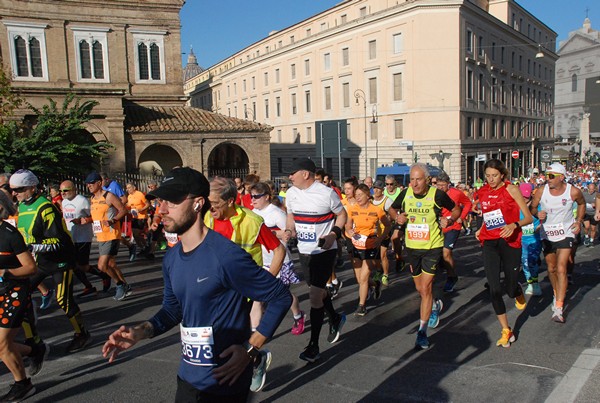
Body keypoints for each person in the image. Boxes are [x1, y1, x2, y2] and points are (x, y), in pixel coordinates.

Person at [102, 167, 291, 402]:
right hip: (188, 379)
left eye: (172, 202)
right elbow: (173, 310)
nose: (161, 210)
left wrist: (251, 348)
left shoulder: (226, 256)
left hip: (225, 382)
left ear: (197, 204)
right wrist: (141, 332)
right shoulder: (171, 258)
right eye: (161, 202)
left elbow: (281, 296)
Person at [204, 177, 285, 392]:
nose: (210, 207)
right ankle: (254, 359)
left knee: (229, 342)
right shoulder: (207, 218)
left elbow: (279, 251)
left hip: (243, 293)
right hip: (216, 290)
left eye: (215, 203)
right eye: (208, 202)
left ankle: (251, 363)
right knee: (216, 340)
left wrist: (265, 286)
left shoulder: (252, 222)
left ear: (231, 201)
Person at [9, 169, 90, 353]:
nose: (15, 193)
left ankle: (81, 333)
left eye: (19, 189)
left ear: (31, 187)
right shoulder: (21, 206)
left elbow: (59, 241)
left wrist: (32, 247)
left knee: (63, 299)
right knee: (19, 295)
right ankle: (32, 339)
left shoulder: (46, 208)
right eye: (12, 189)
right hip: (40, 261)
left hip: (61, 260)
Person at [390, 163, 460, 350]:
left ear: (427, 180)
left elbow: (456, 209)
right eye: (412, 179)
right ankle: (435, 304)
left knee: (426, 287)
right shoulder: (405, 194)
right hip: (412, 248)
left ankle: (422, 332)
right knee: (420, 289)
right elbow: (390, 209)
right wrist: (397, 218)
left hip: (432, 247)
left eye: (418, 179)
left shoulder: (436, 195)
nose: (414, 183)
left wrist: (450, 219)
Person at [283, 158, 347, 363]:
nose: (289, 177)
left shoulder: (326, 193)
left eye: (292, 173)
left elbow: (342, 215)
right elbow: (291, 216)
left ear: (306, 174)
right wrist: (289, 230)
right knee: (317, 290)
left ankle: (313, 346)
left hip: (324, 250)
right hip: (304, 249)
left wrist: (333, 235)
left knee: (314, 295)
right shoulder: (291, 193)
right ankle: (335, 318)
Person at [475, 159, 532, 347]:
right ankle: (506, 330)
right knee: (494, 288)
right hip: (490, 242)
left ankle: (517, 291)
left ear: (502, 175)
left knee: (509, 286)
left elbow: (528, 217)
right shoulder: (483, 192)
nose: (491, 179)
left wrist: (514, 225)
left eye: (495, 175)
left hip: (510, 241)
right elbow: (489, 215)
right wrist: (481, 228)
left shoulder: (511, 189)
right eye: (488, 176)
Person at [0, 190, 47, 402]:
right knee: (3, 345)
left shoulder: (9, 235)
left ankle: (23, 385)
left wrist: (7, 273)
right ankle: (34, 350)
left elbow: (30, 268)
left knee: (1, 344)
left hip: (15, 292)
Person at [529, 163, 585, 323]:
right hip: (547, 233)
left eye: (551, 176)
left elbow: (581, 203)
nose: (548, 179)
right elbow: (532, 208)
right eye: (547, 175)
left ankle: (559, 307)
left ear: (561, 177)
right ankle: (556, 292)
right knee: (551, 268)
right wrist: (537, 213)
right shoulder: (541, 190)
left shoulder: (573, 191)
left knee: (561, 268)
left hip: (565, 233)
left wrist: (579, 221)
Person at [250, 182, 305, 335]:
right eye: (251, 196)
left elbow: (289, 234)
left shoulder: (275, 213)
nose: (253, 199)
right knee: (257, 298)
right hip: (260, 261)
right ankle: (255, 334)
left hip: (279, 260)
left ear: (266, 197)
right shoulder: (252, 213)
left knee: (284, 295)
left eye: (257, 196)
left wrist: (274, 234)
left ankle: (298, 315)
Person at [345, 184, 391, 316]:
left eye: (360, 195)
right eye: (356, 195)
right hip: (356, 245)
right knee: (360, 279)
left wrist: (380, 238)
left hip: (370, 245)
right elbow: (348, 225)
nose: (357, 198)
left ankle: (361, 306)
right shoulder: (352, 209)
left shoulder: (376, 210)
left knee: (364, 278)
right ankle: (375, 285)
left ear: (367, 195)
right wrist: (350, 230)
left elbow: (387, 225)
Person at [86, 172, 133, 301]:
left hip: (111, 234)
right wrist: (86, 220)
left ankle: (119, 285)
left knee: (102, 266)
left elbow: (123, 210)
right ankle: (125, 286)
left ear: (99, 183)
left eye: (91, 183)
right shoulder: (93, 198)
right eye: (87, 184)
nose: (88, 186)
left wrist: (113, 220)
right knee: (111, 264)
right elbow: (97, 217)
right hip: (101, 236)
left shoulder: (109, 196)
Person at [60, 180, 110, 297]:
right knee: (73, 265)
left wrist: (84, 220)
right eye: (61, 191)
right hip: (71, 237)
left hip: (83, 236)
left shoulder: (82, 200)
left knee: (82, 265)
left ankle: (104, 275)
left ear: (74, 189)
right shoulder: (64, 202)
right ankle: (88, 286)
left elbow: (93, 216)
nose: (63, 193)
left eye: (66, 190)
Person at [434, 172, 473, 293]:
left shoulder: (456, 193)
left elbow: (468, 203)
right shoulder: (434, 194)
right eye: (438, 185)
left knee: (446, 252)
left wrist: (462, 216)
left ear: (448, 184)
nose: (440, 187)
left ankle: (451, 278)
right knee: (438, 254)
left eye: (443, 185)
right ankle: (444, 268)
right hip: (439, 227)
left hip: (453, 226)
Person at [101, 172, 136, 261]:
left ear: (107, 179)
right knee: (116, 235)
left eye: (101, 181)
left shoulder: (114, 185)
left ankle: (110, 257)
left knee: (115, 234)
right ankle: (130, 246)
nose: (100, 183)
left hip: (116, 214)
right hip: (106, 214)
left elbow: (124, 199)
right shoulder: (102, 187)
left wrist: (115, 206)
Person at [518, 183, 542, 296]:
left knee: (532, 261)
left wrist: (540, 226)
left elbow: (545, 219)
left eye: (526, 196)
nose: (524, 198)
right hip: (521, 239)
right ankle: (530, 284)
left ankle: (535, 283)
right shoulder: (516, 206)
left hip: (534, 238)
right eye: (522, 195)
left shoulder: (536, 206)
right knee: (525, 262)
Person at [371, 180, 394, 286]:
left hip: (384, 231)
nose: (376, 190)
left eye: (378, 188)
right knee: (374, 257)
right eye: (374, 188)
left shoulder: (387, 201)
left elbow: (392, 215)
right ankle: (379, 270)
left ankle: (385, 274)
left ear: (382, 190)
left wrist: (388, 219)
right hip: (372, 232)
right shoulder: (370, 200)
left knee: (383, 255)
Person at [383, 175, 405, 272]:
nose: (389, 186)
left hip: (398, 218)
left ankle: (399, 258)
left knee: (395, 238)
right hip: (387, 219)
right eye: (387, 184)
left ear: (395, 183)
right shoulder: (383, 191)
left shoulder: (400, 192)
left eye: (391, 184)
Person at [125, 182, 151, 257]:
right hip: (134, 217)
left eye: (129, 187)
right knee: (135, 235)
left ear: (134, 187)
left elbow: (148, 204)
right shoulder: (129, 196)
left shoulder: (140, 194)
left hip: (141, 217)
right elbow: (129, 206)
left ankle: (146, 246)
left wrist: (141, 209)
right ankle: (144, 247)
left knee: (137, 233)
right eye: (127, 188)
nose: (128, 189)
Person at [582, 182, 597, 246]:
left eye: (592, 189)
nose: (591, 191)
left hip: (594, 213)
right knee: (587, 226)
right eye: (590, 189)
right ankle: (586, 237)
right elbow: (580, 202)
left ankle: (591, 240)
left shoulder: (597, 195)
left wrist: (595, 205)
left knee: (593, 228)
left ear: (594, 189)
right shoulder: (584, 194)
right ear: (588, 188)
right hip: (586, 213)